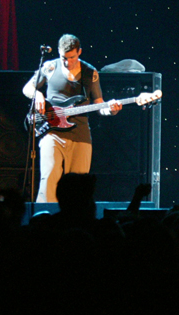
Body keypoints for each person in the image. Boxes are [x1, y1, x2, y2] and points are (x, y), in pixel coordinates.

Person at [23, 34, 121, 202]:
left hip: (80, 135)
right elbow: (27, 88)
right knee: (49, 181)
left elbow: (100, 105)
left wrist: (111, 110)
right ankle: (45, 221)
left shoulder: (90, 73)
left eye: (71, 57)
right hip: (52, 133)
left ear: (79, 52)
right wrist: (37, 94)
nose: (67, 62)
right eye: (63, 58)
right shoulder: (50, 67)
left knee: (79, 187)